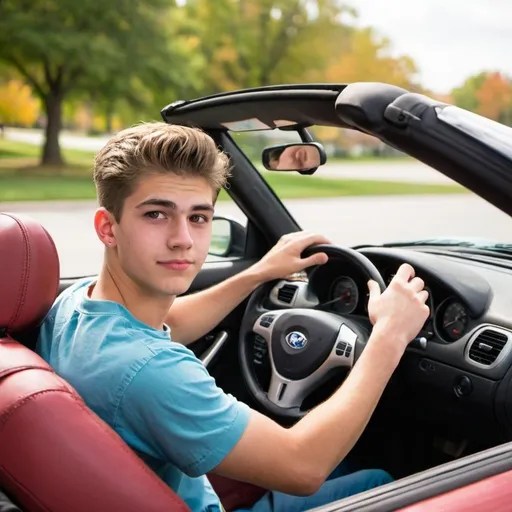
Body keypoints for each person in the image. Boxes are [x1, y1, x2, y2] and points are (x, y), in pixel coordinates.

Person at [36, 122, 430, 512]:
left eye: (199, 217)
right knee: (382, 481)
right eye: (156, 215)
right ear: (108, 228)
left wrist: (259, 272)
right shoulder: (151, 372)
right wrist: (389, 337)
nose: (183, 239)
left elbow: (170, 323)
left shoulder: (79, 303)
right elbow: (303, 466)